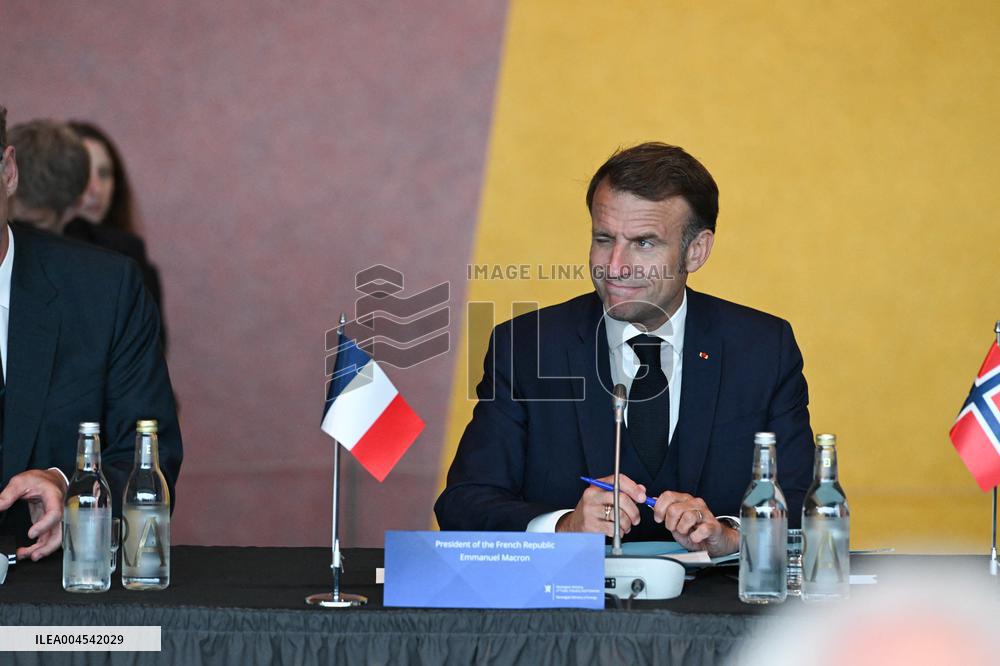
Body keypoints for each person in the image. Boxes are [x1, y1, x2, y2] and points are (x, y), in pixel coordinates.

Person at [435, 142, 814, 556]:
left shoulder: (761, 349)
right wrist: (564, 527)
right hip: (571, 613)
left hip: (720, 614)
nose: (615, 266)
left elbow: (802, 506)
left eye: (644, 243)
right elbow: (464, 505)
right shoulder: (527, 347)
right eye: (604, 238)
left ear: (697, 250)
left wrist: (731, 537)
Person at [0, 109, 181, 561]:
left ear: (8, 172)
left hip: (60, 597)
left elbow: (146, 457)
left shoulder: (103, 291)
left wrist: (69, 486)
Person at [64, 121, 166, 346]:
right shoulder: (27, 252)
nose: (95, 189)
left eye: (104, 173)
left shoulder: (132, 255)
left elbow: (152, 352)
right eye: (83, 174)